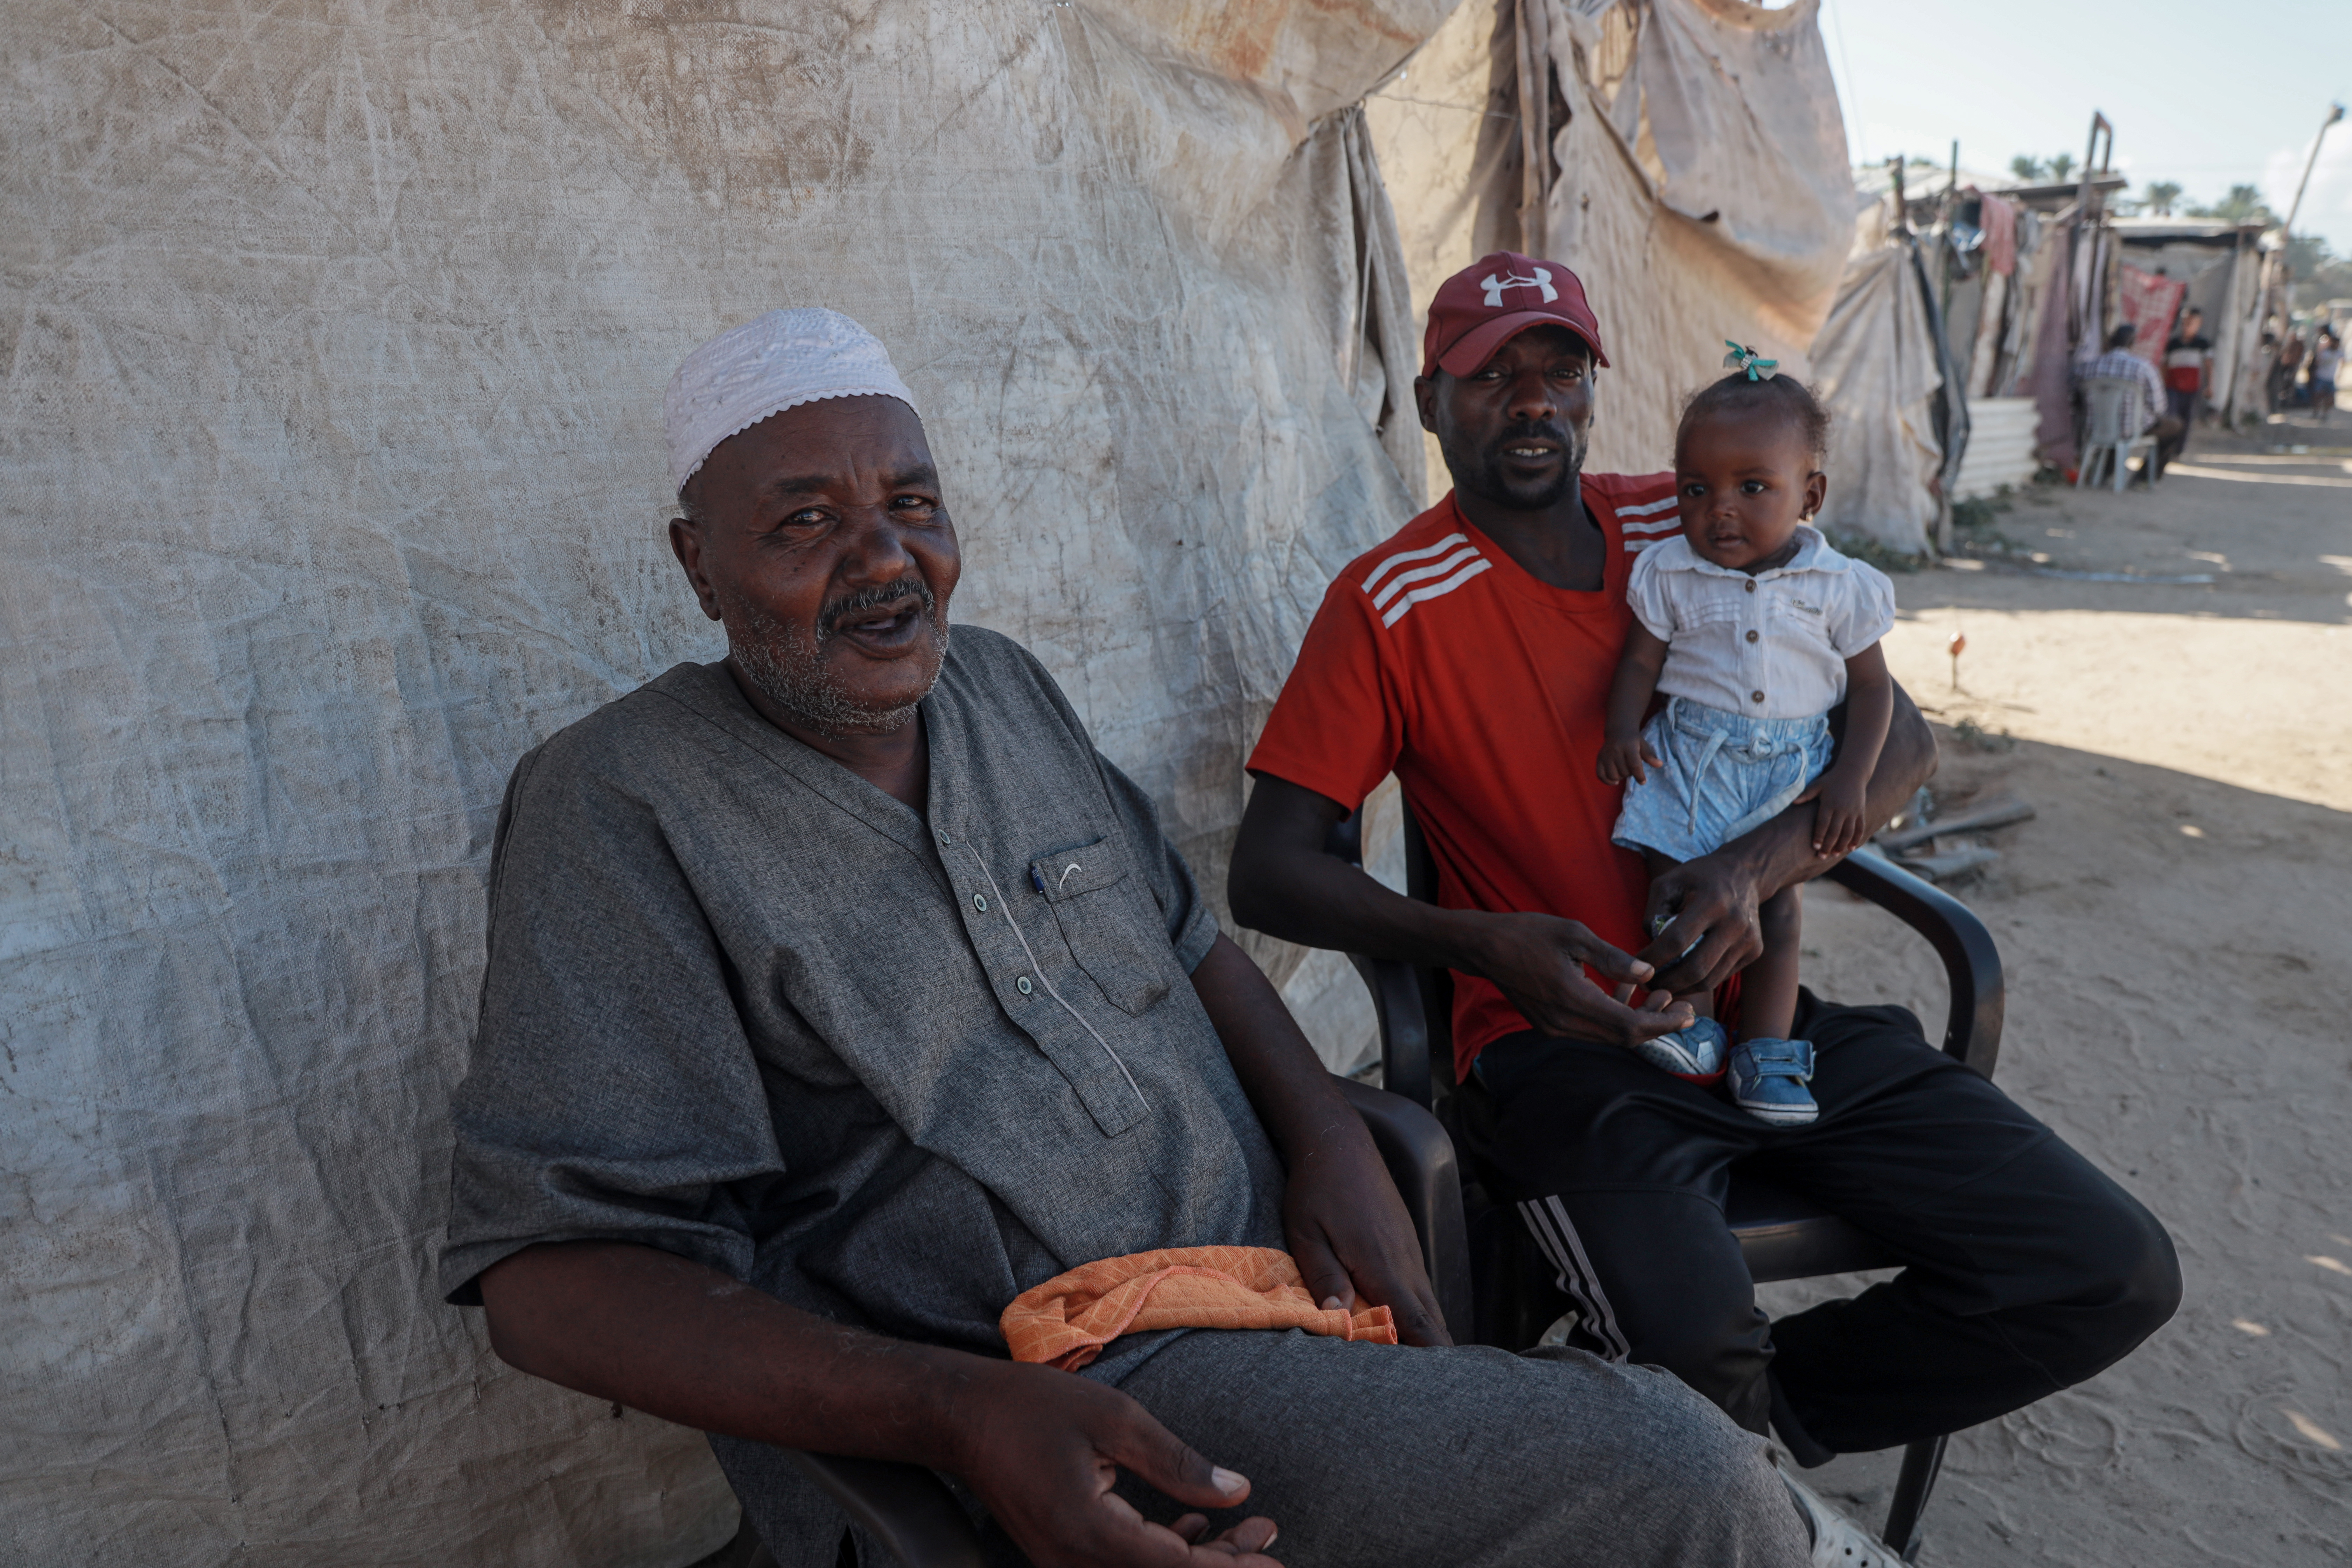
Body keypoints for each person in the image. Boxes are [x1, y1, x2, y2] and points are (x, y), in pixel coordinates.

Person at [439, 308, 1859, 1568]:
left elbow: (1191, 944)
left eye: (913, 504)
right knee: (1674, 1475)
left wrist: (1324, 1136)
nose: (887, 563)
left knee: (1657, 1462)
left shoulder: (997, 685)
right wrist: (960, 1410)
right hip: (1063, 1382)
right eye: (805, 523)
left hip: (1279, 1286)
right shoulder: (620, 802)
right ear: (698, 564)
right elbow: (557, 1281)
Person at [1229, 252, 2180, 1471]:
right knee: (1690, 1350)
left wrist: (1755, 870)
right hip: (1568, 1052)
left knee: (2107, 1268)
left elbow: (1904, 740)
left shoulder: (1697, 514)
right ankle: (1728, 1459)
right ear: (1429, 403)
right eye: (1488, 377)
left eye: (1558, 372)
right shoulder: (1390, 602)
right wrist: (1486, 946)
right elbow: (1270, 869)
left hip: (1768, 1021)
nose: (1530, 401)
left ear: (1588, 395)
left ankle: (1765, 1441)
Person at [1596, 359, 1895, 1127]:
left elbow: (1870, 690)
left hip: (1786, 774)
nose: (1719, 510)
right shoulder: (1669, 570)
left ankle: (1768, 1051)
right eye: (1695, 489)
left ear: (1812, 494)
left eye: (1752, 487)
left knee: (1783, 912)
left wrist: (1850, 779)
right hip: (1690, 762)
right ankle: (1691, 1020)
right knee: (1674, 897)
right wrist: (1623, 729)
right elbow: (1640, 661)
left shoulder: (1841, 587)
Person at [2082, 322, 2179, 479]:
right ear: (2132, 343)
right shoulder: (2143, 368)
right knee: (2175, 426)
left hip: (2096, 427)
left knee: (2117, 422)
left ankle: (2106, 471)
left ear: (2110, 342)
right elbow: (2159, 407)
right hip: (2132, 429)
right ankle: (2145, 478)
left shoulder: (2089, 367)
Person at [2160, 307, 2212, 465]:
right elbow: (2164, 366)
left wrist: (2210, 386)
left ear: (2199, 324)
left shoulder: (2203, 344)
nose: (2187, 326)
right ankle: (2167, 448)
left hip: (2192, 389)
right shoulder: (2173, 344)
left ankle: (2178, 451)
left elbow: (2209, 366)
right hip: (2173, 388)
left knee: (2186, 420)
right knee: (2172, 418)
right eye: (2185, 322)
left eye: (2192, 323)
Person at [2314, 329, 2342, 424]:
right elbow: (2317, 361)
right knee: (2318, 396)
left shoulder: (2339, 353)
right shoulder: (2324, 352)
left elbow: (2344, 362)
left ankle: (2325, 414)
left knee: (2330, 399)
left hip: (2331, 379)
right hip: (2321, 377)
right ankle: (2316, 412)